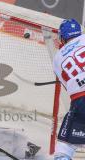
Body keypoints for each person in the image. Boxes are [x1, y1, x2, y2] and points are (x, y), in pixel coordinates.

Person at [53, 19, 84, 160]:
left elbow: (68, 87)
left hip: (81, 101)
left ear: (63, 37)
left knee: (64, 147)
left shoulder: (57, 58)